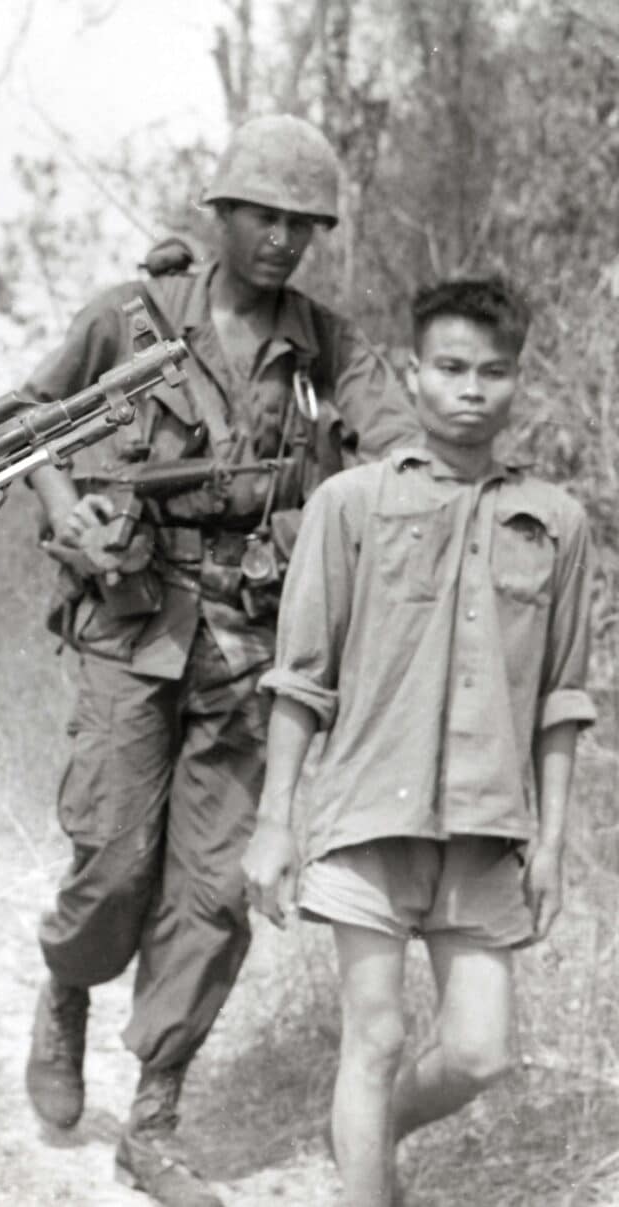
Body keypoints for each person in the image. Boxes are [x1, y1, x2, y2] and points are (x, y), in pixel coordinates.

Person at [20, 114, 420, 1206]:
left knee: (211, 891)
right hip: (129, 617)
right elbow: (28, 420)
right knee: (108, 861)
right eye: (264, 217)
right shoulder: (132, 315)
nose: (283, 241)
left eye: (304, 224)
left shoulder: (328, 349)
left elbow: (407, 453)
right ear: (221, 217)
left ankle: (152, 1115)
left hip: (253, 645)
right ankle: (63, 987)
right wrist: (71, 518)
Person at [241, 275, 594, 1206]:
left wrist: (551, 842)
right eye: (449, 368)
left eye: (494, 370)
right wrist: (275, 821)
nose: (471, 388)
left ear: (519, 381)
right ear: (413, 374)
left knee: (479, 1051)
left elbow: (563, 697)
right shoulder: (350, 505)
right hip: (366, 813)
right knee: (379, 1035)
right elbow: (300, 679)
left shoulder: (557, 523)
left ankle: (368, 1134)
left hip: (485, 833)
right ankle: (366, 1180)